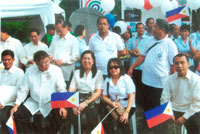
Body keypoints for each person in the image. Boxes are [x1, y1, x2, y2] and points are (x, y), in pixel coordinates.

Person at [10, 50, 67, 134]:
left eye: (47, 61)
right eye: (42, 63)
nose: (46, 65)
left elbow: (62, 89)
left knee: (60, 116)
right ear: (36, 63)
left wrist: (62, 106)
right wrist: (16, 104)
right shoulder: (30, 71)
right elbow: (23, 89)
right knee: (18, 114)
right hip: (34, 101)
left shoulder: (56, 70)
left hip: (51, 101)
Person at [128, 19, 178, 112]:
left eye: (155, 27)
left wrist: (171, 84)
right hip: (146, 82)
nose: (152, 28)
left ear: (162, 30)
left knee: (158, 111)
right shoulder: (150, 40)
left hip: (160, 85)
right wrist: (132, 67)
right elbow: (142, 56)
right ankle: (147, 125)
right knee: (147, 108)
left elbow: (173, 66)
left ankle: (158, 126)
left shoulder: (170, 44)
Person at [161, 53, 200, 134]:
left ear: (188, 64)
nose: (179, 65)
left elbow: (197, 103)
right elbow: (164, 98)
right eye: (176, 63)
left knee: (196, 128)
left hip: (191, 110)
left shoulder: (196, 79)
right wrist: (168, 113)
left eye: (182, 62)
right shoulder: (170, 79)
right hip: (173, 109)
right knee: (153, 120)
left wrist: (185, 117)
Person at [68, 50, 104, 134]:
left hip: (92, 100)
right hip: (78, 99)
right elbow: (71, 89)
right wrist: (73, 105)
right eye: (84, 58)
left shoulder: (98, 73)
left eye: (89, 58)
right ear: (81, 61)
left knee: (92, 116)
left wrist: (85, 103)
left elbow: (98, 92)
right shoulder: (76, 73)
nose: (86, 61)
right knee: (74, 116)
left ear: (93, 61)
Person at [102, 58, 135, 134]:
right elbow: (104, 96)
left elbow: (131, 96)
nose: (113, 69)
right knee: (106, 121)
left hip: (127, 105)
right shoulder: (107, 80)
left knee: (122, 121)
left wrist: (126, 112)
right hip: (113, 105)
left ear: (120, 67)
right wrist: (111, 103)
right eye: (111, 67)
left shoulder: (126, 78)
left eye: (116, 67)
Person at [49, 19, 79, 87]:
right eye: (57, 31)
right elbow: (49, 51)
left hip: (66, 71)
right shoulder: (54, 38)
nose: (58, 33)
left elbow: (75, 56)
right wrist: (50, 56)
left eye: (60, 31)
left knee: (65, 91)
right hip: (53, 69)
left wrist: (63, 61)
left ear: (66, 28)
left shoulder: (73, 39)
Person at [0, 50, 24, 133]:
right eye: (4, 60)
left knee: (3, 116)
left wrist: (2, 102)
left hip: (11, 102)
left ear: (13, 59)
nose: (6, 62)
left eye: (9, 59)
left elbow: (18, 91)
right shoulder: (0, 72)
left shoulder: (19, 72)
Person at [127, 22, 149, 106]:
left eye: (142, 28)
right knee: (133, 86)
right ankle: (134, 103)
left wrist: (139, 54)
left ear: (144, 29)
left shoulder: (148, 39)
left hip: (143, 67)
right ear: (136, 29)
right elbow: (127, 49)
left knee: (142, 86)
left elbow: (148, 52)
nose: (140, 29)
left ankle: (142, 104)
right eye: (139, 28)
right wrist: (132, 51)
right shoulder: (131, 39)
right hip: (133, 66)